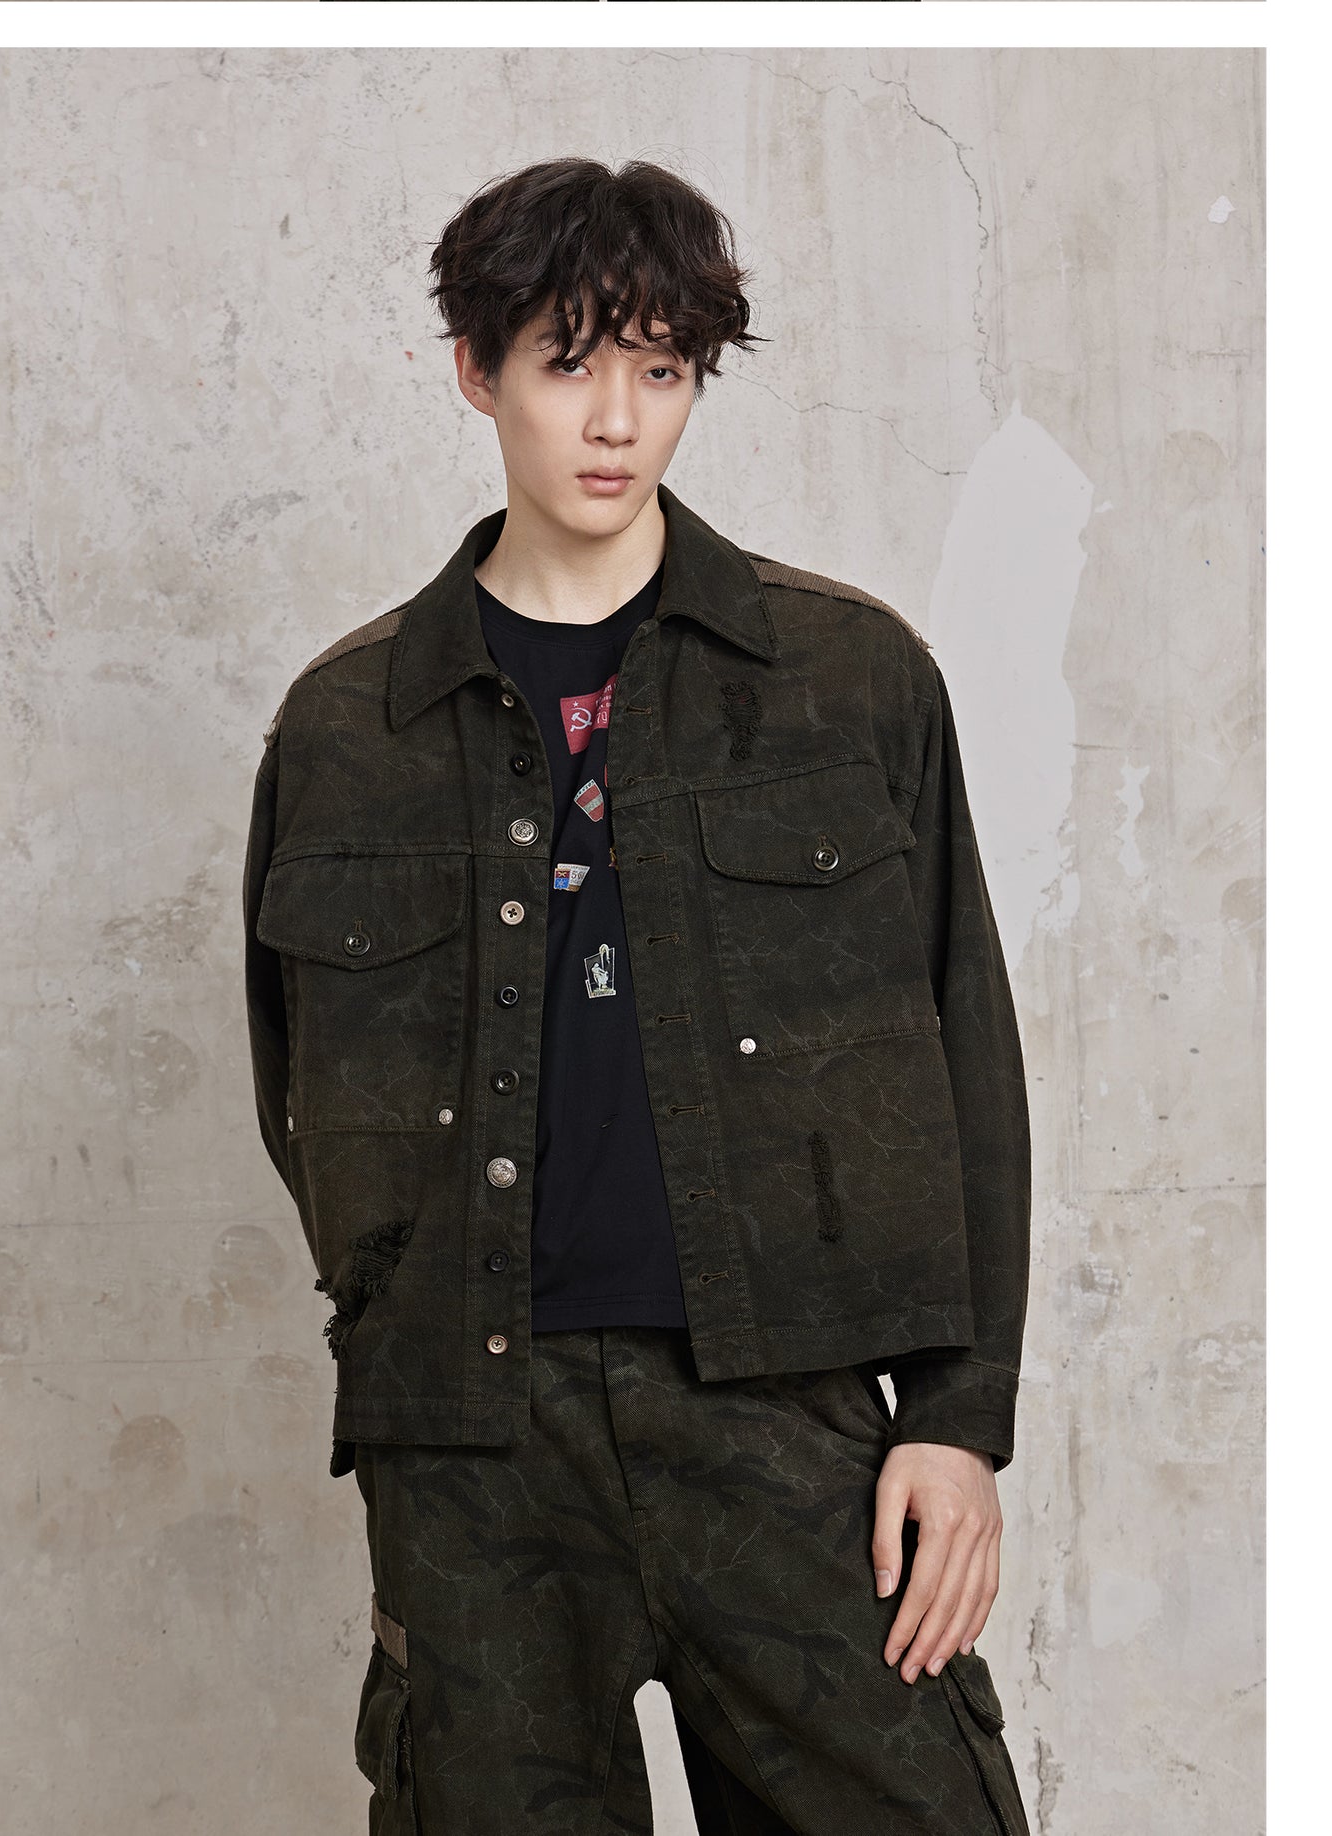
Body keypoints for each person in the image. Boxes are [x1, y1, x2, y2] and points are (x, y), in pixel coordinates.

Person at [243, 156, 1033, 1834]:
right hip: (475, 1454)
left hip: (783, 1420)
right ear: (476, 372)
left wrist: (956, 1421)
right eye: (567, 363)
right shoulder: (346, 727)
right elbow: (297, 1092)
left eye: (661, 370)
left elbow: (966, 1053)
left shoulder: (845, 679)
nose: (616, 420)